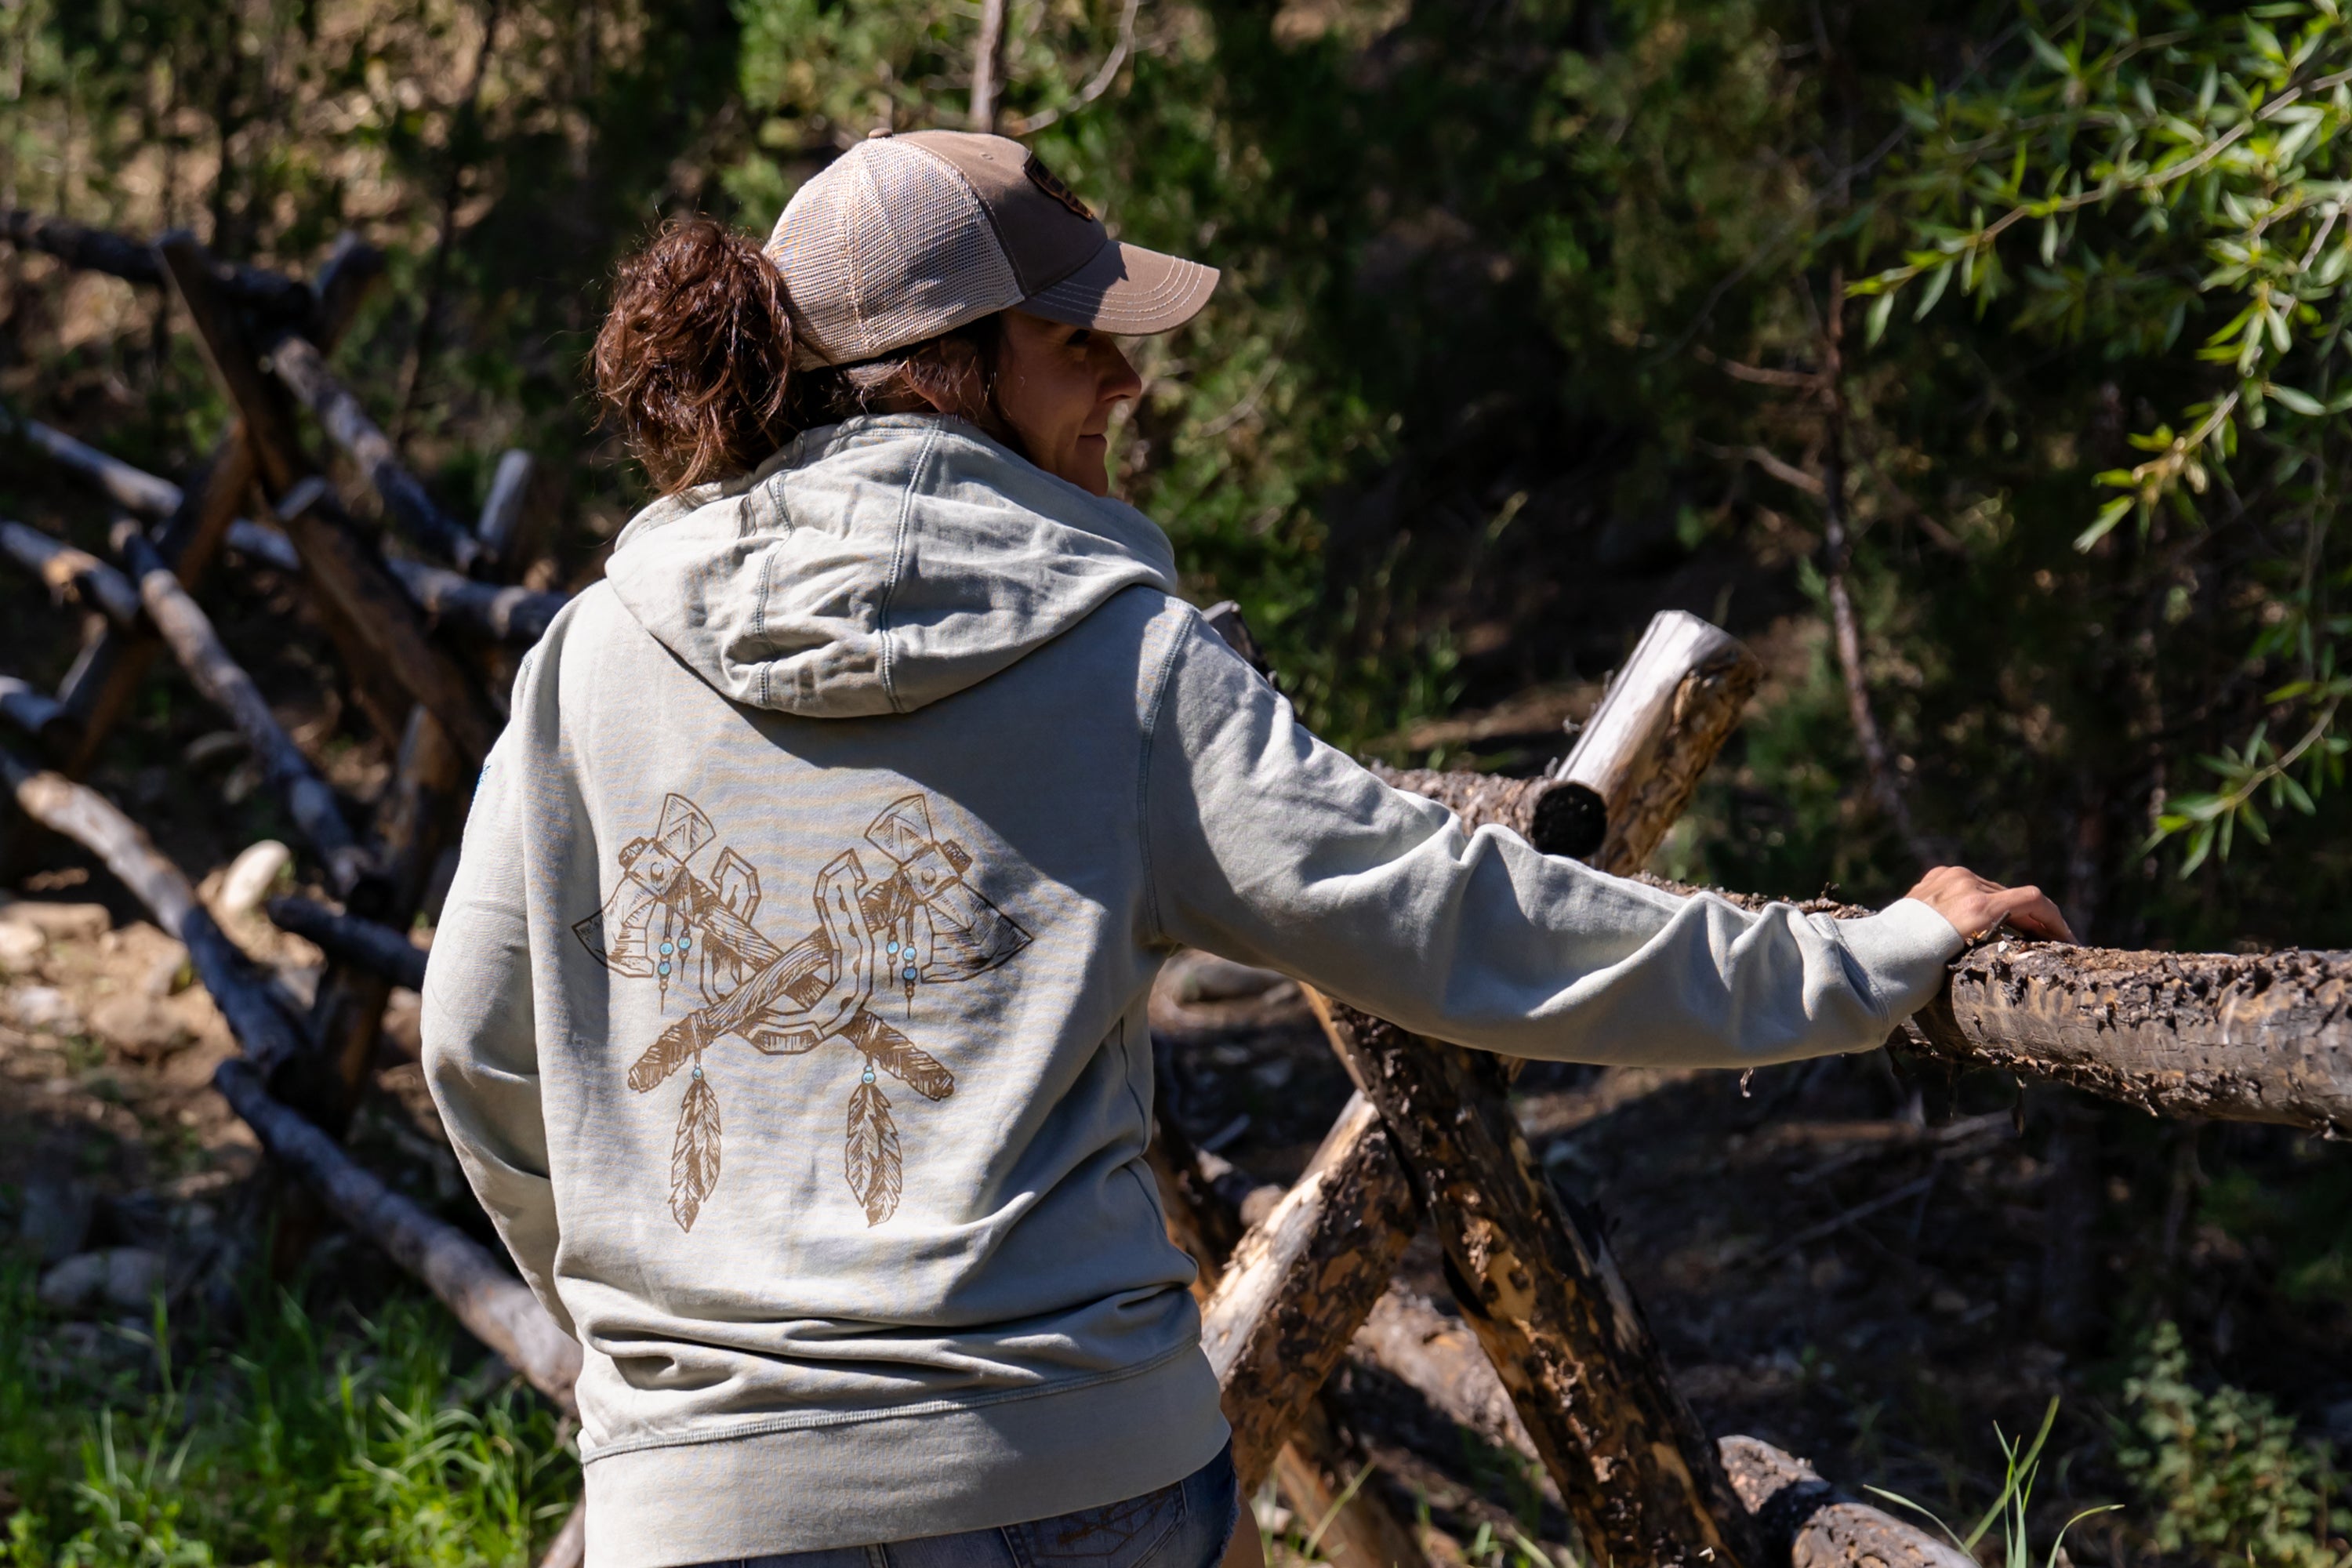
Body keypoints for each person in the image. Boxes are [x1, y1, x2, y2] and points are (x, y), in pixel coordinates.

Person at [420, 129, 2072, 1568]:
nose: (1128, 383)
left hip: (700, 1509)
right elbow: (1460, 920)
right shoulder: (1125, 660)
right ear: (952, 365)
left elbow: (473, 1045)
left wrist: (680, 1371)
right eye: (1082, 343)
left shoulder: (591, 658)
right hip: (1070, 1471)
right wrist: (1871, 959)